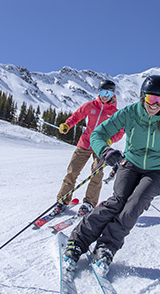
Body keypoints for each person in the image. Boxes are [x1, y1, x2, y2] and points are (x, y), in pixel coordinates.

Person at [63, 75, 160, 273]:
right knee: (117, 202)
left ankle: (106, 247)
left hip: (157, 170)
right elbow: (98, 134)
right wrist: (106, 151)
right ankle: (77, 241)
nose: (155, 105)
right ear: (142, 96)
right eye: (150, 99)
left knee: (132, 207)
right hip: (130, 164)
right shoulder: (130, 113)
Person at [51, 80, 125, 217]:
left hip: (101, 146)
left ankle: (89, 203)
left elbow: (120, 131)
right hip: (84, 143)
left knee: (96, 174)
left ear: (113, 94)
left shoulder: (115, 113)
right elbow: (76, 116)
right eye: (102, 92)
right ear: (99, 91)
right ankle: (62, 200)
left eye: (108, 93)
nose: (105, 96)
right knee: (72, 171)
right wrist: (67, 125)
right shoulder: (90, 106)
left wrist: (111, 139)